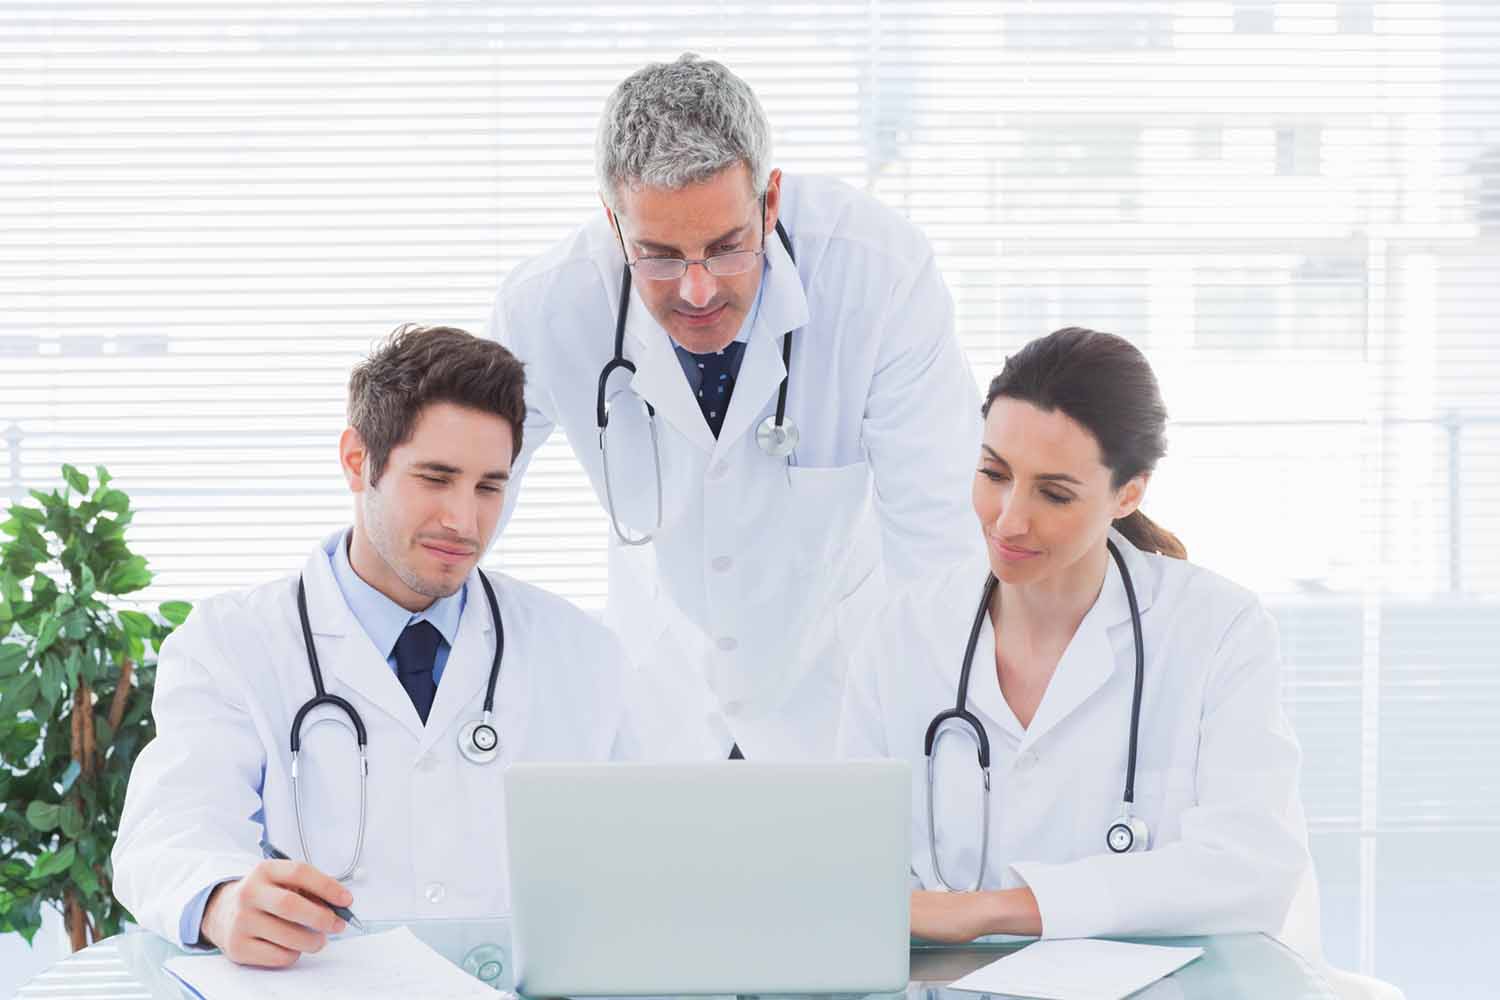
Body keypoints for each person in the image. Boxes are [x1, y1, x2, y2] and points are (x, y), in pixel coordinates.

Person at [488, 54, 980, 762]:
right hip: (660, 697)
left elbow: (939, 543)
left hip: (838, 698)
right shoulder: (548, 304)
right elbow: (464, 487)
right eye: (657, 255)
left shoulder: (879, 274)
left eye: (726, 249)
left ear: (770, 200)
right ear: (612, 221)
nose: (696, 291)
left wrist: (936, 741)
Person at [113, 326, 636, 967]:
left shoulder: (581, 653)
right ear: (358, 461)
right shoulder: (231, 643)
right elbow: (168, 829)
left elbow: (639, 861)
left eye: (489, 486)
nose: (463, 521)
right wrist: (221, 899)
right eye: (436, 478)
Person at [837, 327, 1321, 957]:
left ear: (1129, 492)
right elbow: (851, 864)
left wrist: (987, 912)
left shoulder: (1217, 629)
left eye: (1054, 493)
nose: (1009, 519)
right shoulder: (902, 633)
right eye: (994, 473)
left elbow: (1248, 869)